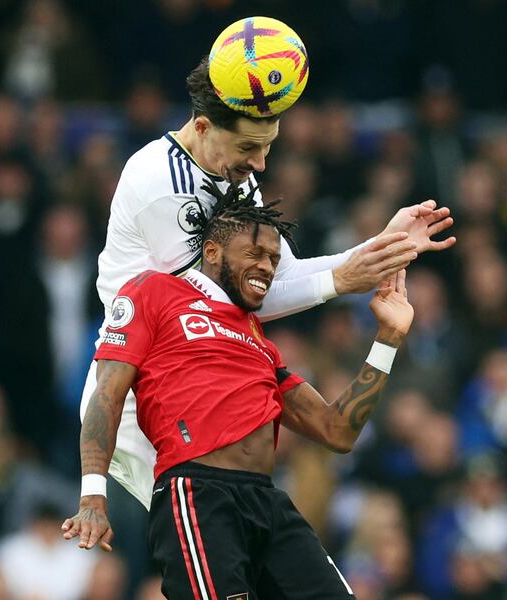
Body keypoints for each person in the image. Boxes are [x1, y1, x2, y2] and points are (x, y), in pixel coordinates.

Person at [80, 18, 456, 510]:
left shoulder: (233, 178)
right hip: (138, 411)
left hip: (205, 390)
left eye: (268, 146)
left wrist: (375, 250)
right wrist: (343, 278)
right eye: (248, 148)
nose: (260, 164)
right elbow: (230, 302)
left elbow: (272, 278)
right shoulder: (161, 184)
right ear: (202, 127)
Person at [63, 185, 415, 599]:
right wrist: (93, 494)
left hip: (266, 500)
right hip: (198, 495)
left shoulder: (258, 342)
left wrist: (388, 339)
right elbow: (107, 393)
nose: (267, 267)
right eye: (255, 254)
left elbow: (336, 430)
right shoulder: (155, 292)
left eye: (273, 259)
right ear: (212, 252)